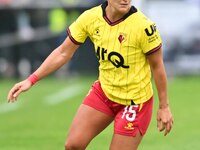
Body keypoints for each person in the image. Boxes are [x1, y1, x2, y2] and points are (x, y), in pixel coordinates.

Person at [7, 0, 174, 150]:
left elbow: (157, 66)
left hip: (135, 102)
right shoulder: (90, 17)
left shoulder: (144, 26)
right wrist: (31, 80)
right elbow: (63, 52)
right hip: (104, 92)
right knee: (73, 145)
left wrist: (164, 107)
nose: (125, 0)